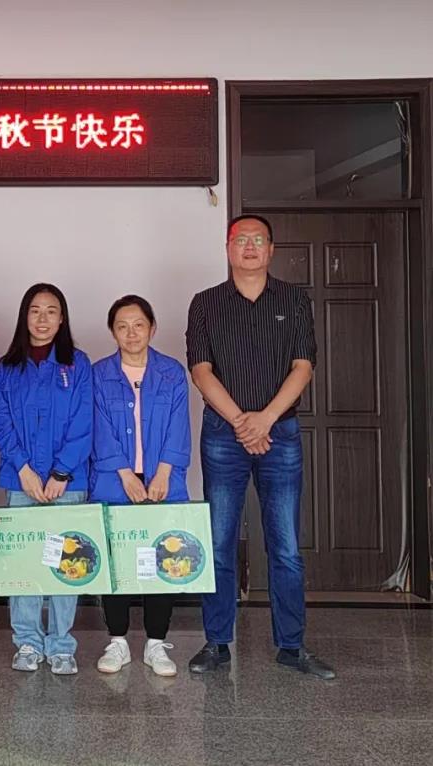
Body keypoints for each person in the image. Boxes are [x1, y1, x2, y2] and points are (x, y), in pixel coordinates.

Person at [185, 214, 335, 680]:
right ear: (227, 248)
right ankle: (216, 643)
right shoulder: (206, 303)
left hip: (280, 433)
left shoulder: (293, 299)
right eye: (240, 239)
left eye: (258, 240)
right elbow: (201, 370)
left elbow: (303, 366)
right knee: (219, 542)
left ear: (271, 250)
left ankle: (292, 646)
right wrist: (241, 422)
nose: (249, 247)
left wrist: (265, 419)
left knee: (285, 545)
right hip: (223, 434)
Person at [0, 283, 92, 676]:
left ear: (62, 318)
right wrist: (23, 469)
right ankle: (28, 642)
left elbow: (84, 421)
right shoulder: (8, 366)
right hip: (22, 482)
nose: (43, 319)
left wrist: (61, 471)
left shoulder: (77, 364)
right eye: (35, 310)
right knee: (25, 564)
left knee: (67, 563)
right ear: (24, 316)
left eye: (51, 311)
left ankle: (62, 644)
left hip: (68, 482)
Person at [90, 295, 191, 678]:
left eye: (138, 325)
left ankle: (155, 644)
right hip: (115, 481)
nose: (131, 333)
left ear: (152, 328)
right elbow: (99, 430)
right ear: (112, 331)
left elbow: (179, 426)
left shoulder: (171, 372)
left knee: (163, 558)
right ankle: (117, 641)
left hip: (163, 482)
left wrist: (162, 474)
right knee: (116, 561)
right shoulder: (99, 374)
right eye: (122, 326)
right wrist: (125, 475)